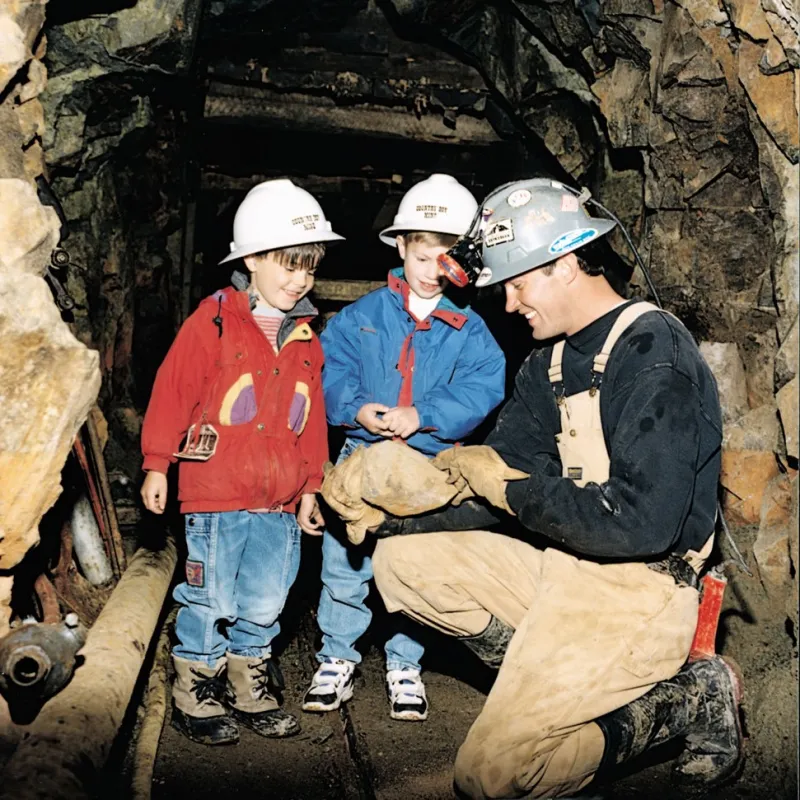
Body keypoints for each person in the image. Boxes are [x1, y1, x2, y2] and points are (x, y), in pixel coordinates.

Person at [369, 178, 743, 797]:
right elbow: (498, 478)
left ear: (565, 264)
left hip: (642, 588)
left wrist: (511, 492)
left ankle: (685, 701)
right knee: (401, 562)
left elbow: (640, 524)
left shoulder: (654, 354)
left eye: (518, 283)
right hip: (565, 569)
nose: (510, 304)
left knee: (491, 778)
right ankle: (552, 679)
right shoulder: (547, 363)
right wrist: (391, 513)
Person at [140, 179, 343, 746]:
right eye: (288, 263)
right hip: (216, 494)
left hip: (278, 502)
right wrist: (158, 462)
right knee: (211, 597)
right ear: (251, 258)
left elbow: (313, 420)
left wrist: (311, 488)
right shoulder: (215, 321)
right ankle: (195, 689)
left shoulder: (307, 338)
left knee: (266, 597)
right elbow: (173, 391)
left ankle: (248, 683)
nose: (300, 278)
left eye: (309, 266)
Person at [302, 174, 506, 721]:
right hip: (360, 461)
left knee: (410, 566)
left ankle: (404, 664)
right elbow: (328, 370)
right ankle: (336, 657)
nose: (432, 269)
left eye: (446, 258)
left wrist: (425, 416)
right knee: (345, 565)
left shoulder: (470, 329)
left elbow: (484, 386)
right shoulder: (361, 317)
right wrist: (355, 408)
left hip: (426, 467)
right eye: (422, 255)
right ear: (400, 247)